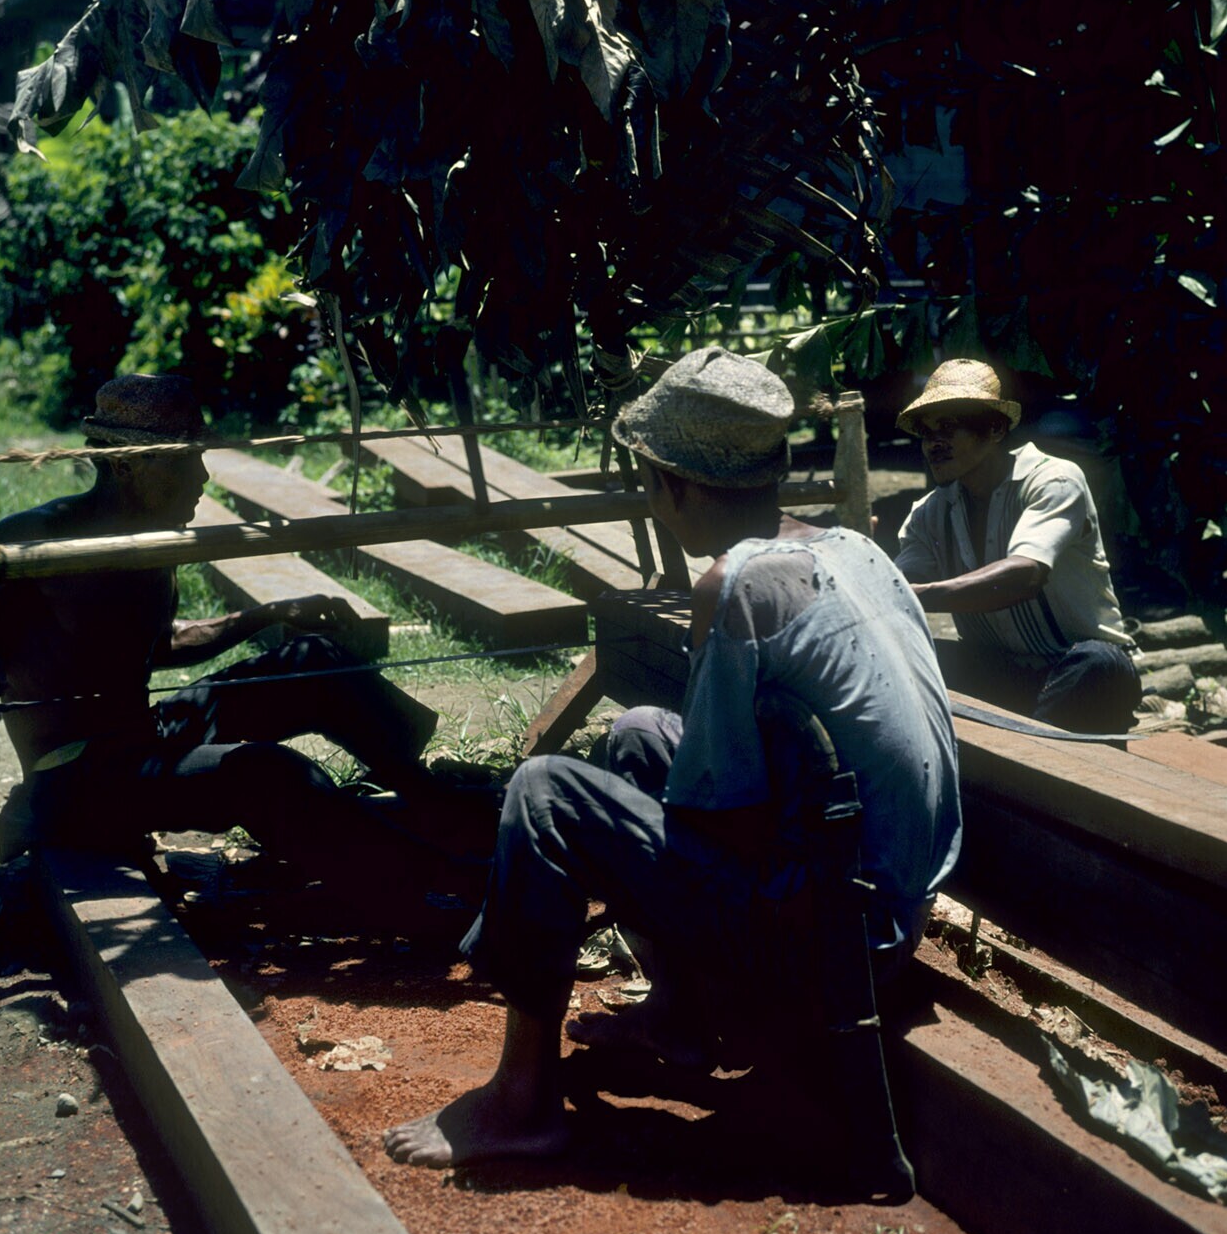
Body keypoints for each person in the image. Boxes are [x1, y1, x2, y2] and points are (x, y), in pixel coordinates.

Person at [384, 346, 961, 1170]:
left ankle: (521, 1104)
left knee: (546, 793)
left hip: (840, 943)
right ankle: (678, 1018)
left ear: (672, 486)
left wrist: (602, 858)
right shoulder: (854, 549)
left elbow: (715, 817)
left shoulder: (736, 585)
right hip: (893, 909)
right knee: (640, 732)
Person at [0, 373, 453, 873]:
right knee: (267, 773)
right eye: (184, 460)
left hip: (144, 737)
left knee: (315, 662)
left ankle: (426, 794)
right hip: (78, 777)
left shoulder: (154, 537)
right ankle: (426, 876)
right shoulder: (36, 537)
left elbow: (159, 642)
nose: (202, 476)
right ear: (125, 464)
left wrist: (270, 615)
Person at [892, 358, 1141, 733]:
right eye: (926, 434)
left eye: (948, 427)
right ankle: (1018, 742)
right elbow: (900, 583)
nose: (934, 444)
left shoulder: (1053, 480)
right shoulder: (928, 514)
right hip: (1000, 674)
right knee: (909, 657)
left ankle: (1026, 748)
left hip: (1074, 671)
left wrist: (916, 595)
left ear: (994, 429)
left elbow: (1025, 575)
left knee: (1100, 663)